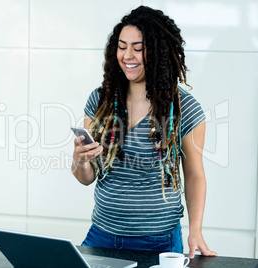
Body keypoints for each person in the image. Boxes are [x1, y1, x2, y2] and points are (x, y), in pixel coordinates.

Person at [71, 5, 217, 259]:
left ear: (159, 53)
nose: (128, 55)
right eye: (122, 46)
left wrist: (196, 230)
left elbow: (194, 175)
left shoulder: (184, 108)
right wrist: (79, 160)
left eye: (138, 48)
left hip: (157, 242)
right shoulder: (100, 100)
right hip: (101, 235)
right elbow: (87, 178)